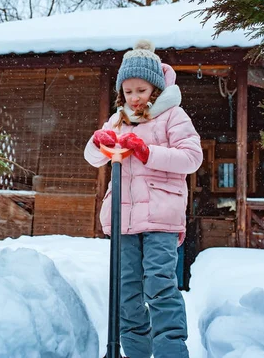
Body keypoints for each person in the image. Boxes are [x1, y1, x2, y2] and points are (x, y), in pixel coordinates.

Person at [84, 40, 202, 358]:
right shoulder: (119, 120)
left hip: (161, 217)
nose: (135, 98)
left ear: (155, 89)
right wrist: (99, 140)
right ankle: (136, 351)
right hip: (123, 220)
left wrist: (147, 151)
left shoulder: (173, 116)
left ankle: (170, 350)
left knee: (159, 283)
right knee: (126, 290)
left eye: (141, 90)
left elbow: (192, 157)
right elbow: (94, 157)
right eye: (129, 91)